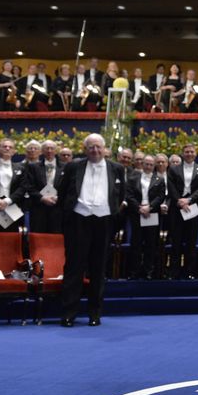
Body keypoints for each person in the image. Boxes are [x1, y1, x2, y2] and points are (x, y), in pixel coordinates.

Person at [57, 133, 125, 327]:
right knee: (74, 268)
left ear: (104, 149)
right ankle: (69, 313)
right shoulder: (73, 167)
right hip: (78, 220)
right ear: (85, 149)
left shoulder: (117, 168)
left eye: (98, 147)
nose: (95, 150)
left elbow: (120, 195)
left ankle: (95, 313)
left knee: (98, 268)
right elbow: (62, 193)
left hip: (104, 221)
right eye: (91, 147)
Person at [167, 144, 198, 279]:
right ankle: (174, 272)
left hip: (192, 208)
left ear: (195, 154)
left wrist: (189, 199)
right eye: (186, 152)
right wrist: (179, 200)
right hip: (177, 208)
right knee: (176, 240)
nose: (189, 154)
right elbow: (171, 186)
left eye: (191, 151)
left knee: (191, 240)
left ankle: (189, 272)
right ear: (182, 153)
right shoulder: (174, 169)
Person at [126, 155, 166, 280]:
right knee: (136, 243)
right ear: (142, 164)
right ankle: (134, 271)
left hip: (151, 213)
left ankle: (149, 271)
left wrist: (150, 207)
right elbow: (129, 195)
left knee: (150, 243)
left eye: (151, 164)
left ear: (154, 166)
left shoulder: (160, 179)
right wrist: (139, 208)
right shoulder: (133, 178)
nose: (148, 166)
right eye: (146, 164)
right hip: (137, 213)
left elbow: (161, 197)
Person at [23, 140, 63, 233]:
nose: (49, 151)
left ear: (56, 150)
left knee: (56, 236)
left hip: (58, 207)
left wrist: (58, 197)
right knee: (38, 235)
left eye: (52, 148)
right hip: (39, 207)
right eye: (46, 148)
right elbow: (29, 186)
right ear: (42, 151)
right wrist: (42, 198)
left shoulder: (65, 166)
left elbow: (68, 186)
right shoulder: (33, 166)